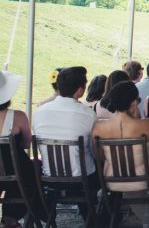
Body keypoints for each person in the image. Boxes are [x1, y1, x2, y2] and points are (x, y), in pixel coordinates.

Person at [32, 66, 99, 222]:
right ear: (81, 90)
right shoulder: (88, 114)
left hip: (49, 177)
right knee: (98, 163)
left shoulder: (39, 112)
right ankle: (93, 214)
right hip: (83, 178)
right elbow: (94, 150)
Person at [91, 81, 149, 225]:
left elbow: (99, 157)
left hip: (112, 180)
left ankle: (146, 218)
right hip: (145, 179)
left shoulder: (99, 127)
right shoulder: (148, 125)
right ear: (133, 103)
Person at [0, 71, 44, 227]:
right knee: (30, 174)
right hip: (17, 172)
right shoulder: (18, 116)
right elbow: (26, 144)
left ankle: (9, 219)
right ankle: (11, 219)